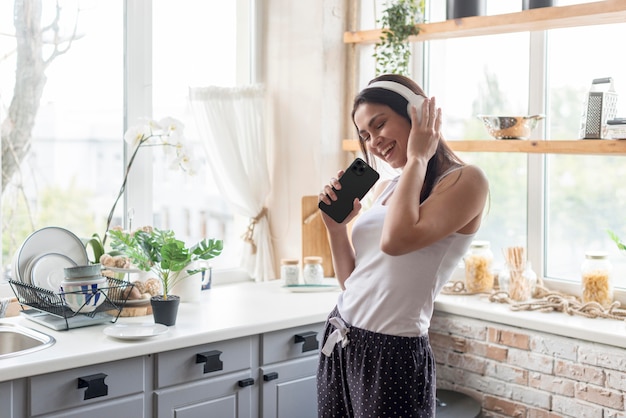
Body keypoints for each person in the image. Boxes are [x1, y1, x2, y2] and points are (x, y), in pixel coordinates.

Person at [316, 74, 489, 418]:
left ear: (416, 114)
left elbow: (397, 241)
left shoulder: (466, 180)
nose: (373, 141)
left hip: (392, 353)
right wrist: (336, 230)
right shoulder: (394, 187)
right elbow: (354, 283)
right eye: (365, 135)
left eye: (379, 125)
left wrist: (418, 158)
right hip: (341, 338)